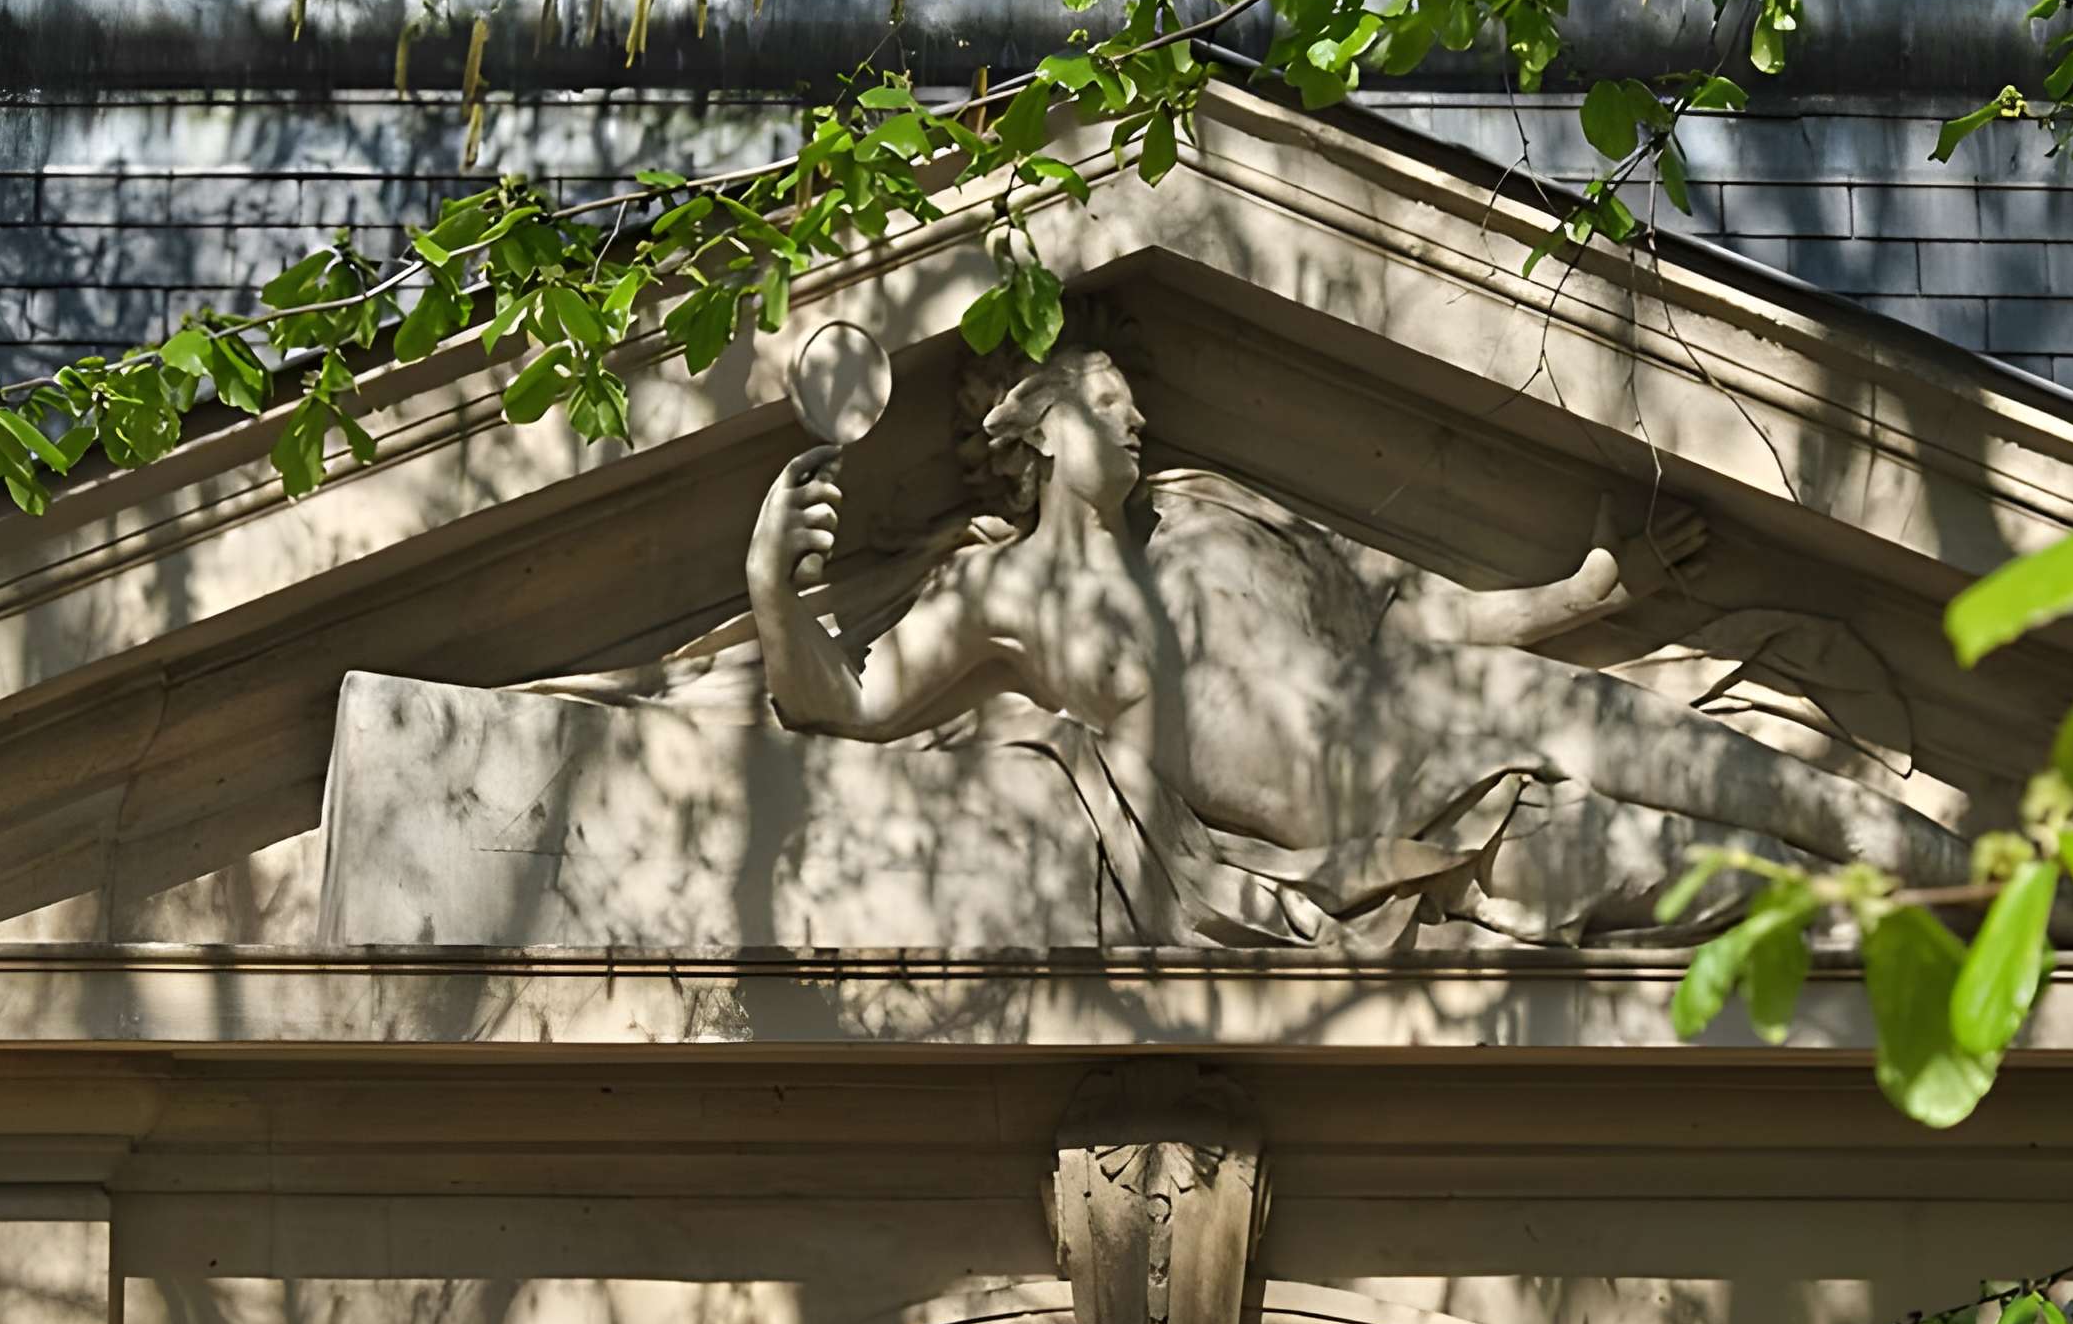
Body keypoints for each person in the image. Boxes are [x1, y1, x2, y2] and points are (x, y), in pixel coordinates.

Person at [740, 344, 1971, 948]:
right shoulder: (1006, 597)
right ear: (1041, 427)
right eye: (1112, 403)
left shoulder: (1217, 528)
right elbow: (842, 702)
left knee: (1792, 791)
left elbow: (1413, 623)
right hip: (1442, 807)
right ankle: (2015, 943)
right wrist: (772, 589)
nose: (1143, 416)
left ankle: (2068, 905)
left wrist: (1596, 592)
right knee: (1742, 884)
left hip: (1457, 696)